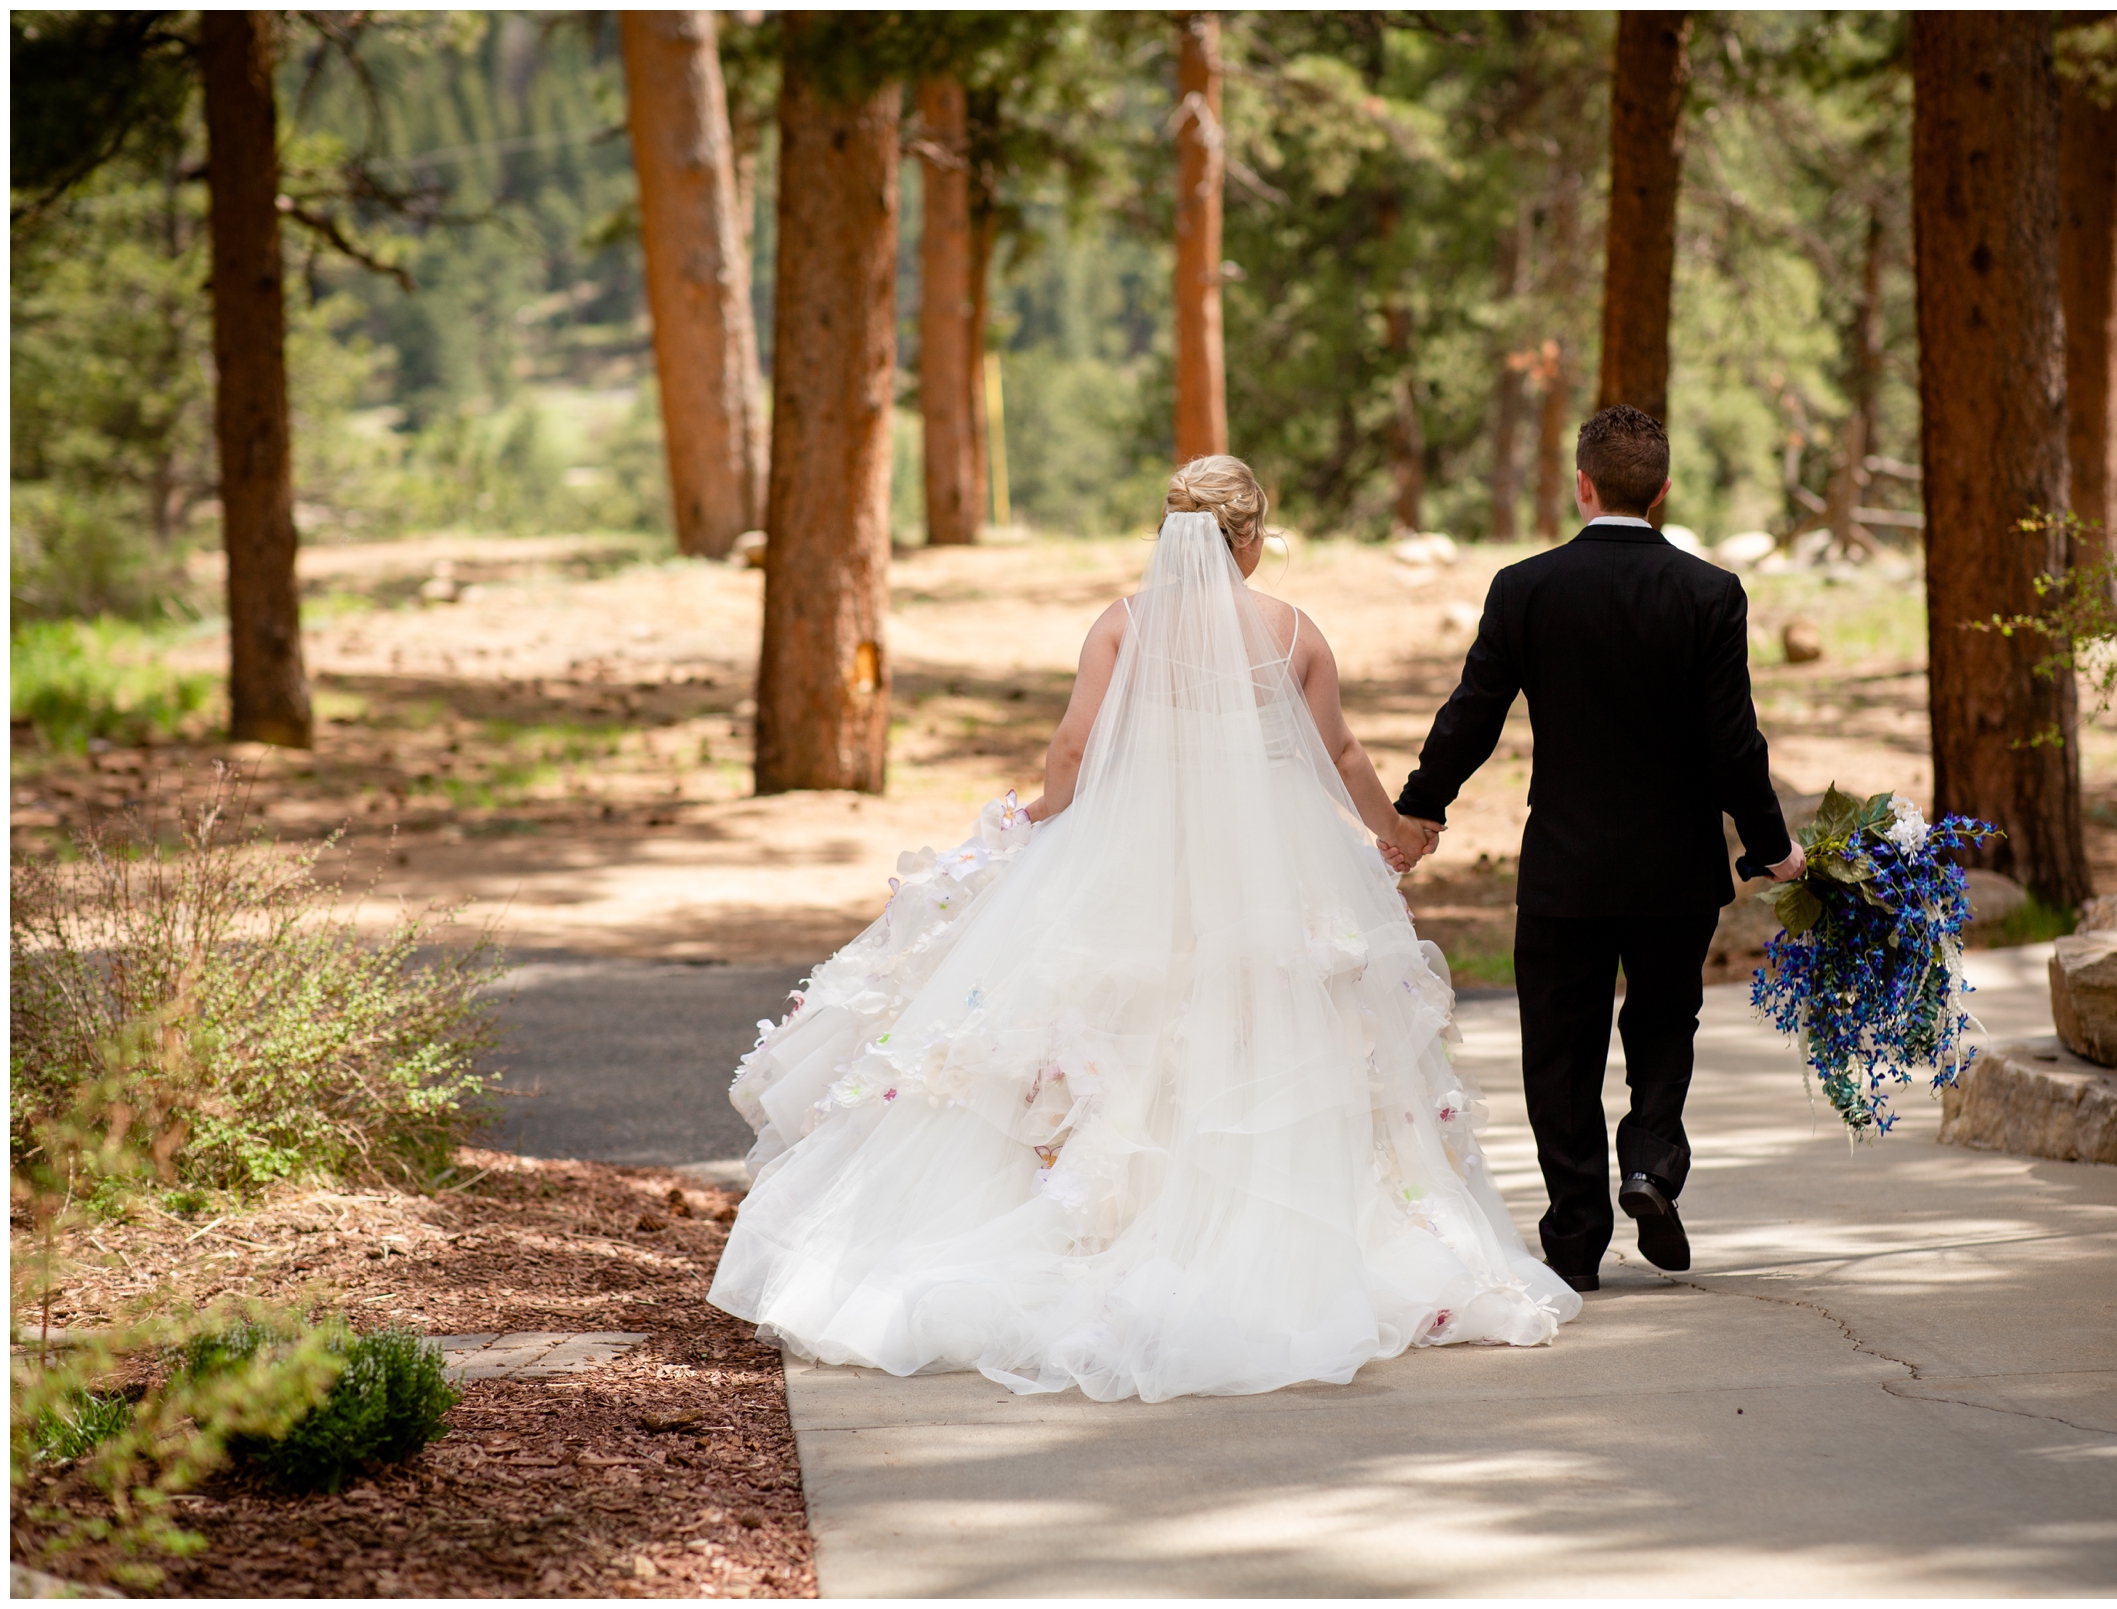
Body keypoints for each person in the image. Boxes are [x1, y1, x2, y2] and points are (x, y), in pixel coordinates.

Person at [709, 456, 1578, 1404]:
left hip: (1134, 862)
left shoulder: (1125, 623)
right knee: (1260, 1039)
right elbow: (1336, 749)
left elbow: (1076, 744)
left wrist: (1051, 817)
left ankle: (1110, 1221)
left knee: (1108, 1036)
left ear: (1173, 532)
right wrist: (1395, 830)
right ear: (1249, 538)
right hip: (1265, 873)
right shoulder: (1292, 630)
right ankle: (1257, 1227)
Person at [1390, 406, 1804, 1287]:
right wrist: (1773, 847)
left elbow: (1474, 714)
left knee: (1561, 1048)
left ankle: (1575, 1240)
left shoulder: (1525, 586)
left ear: (1582, 484)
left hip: (1565, 869)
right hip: (1675, 867)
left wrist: (1420, 808)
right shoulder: (1710, 592)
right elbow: (1735, 742)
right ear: (1661, 493)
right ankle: (1651, 1162)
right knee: (1663, 1022)